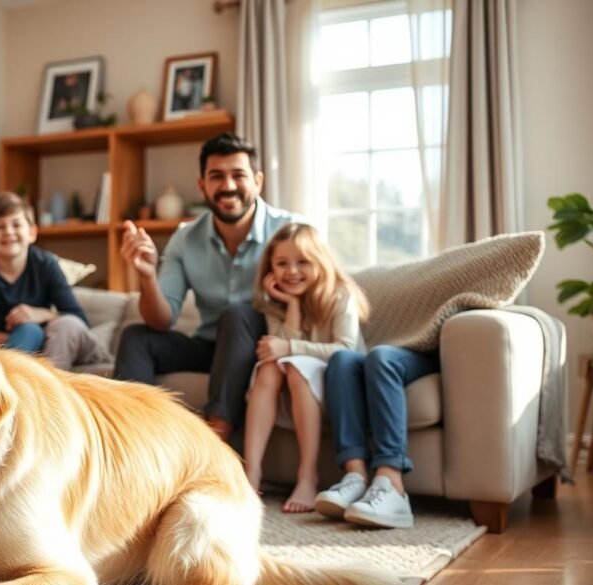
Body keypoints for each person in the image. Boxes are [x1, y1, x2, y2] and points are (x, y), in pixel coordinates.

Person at [115, 132, 296, 442]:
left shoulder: (291, 231)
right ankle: (136, 444)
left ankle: (216, 444)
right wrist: (146, 275)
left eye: (238, 175)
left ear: (258, 181)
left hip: (269, 346)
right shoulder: (185, 238)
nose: (227, 186)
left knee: (238, 314)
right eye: (216, 176)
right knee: (136, 336)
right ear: (202, 186)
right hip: (212, 347)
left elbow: (320, 299)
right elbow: (161, 320)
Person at [241, 223, 369, 513]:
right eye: (282, 263)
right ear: (270, 268)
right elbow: (278, 352)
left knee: (294, 366)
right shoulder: (274, 304)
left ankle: (308, 476)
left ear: (320, 262)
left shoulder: (340, 295)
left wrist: (289, 348)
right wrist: (292, 305)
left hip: (341, 381)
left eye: (303, 262)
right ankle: (251, 475)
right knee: (269, 368)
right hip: (296, 379)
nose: (292, 271)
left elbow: (345, 349)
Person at [0, 192, 110, 369]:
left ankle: (44, 386)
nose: (8, 232)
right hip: (16, 346)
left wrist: (42, 314)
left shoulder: (46, 264)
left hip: (56, 344)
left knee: (64, 325)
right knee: (29, 331)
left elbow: (79, 319)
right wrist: (14, 339)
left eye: (16, 224)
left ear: (32, 233)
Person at [314, 345, 440, 528]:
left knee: (381, 358)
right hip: (387, 349)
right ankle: (355, 476)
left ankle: (393, 486)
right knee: (342, 361)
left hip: (424, 353)